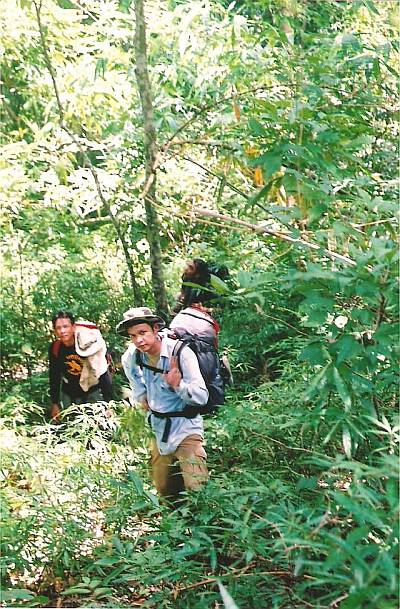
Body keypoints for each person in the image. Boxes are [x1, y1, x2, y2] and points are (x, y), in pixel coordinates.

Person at [117, 306, 209, 504]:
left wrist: (178, 385)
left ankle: (201, 520)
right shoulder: (133, 356)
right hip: (159, 429)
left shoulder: (180, 353)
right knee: (164, 491)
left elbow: (202, 397)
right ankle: (176, 522)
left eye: (143, 332)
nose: (139, 340)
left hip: (186, 427)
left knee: (197, 489)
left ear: (155, 329)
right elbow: (134, 380)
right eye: (133, 336)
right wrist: (142, 397)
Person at [49, 311, 113, 422]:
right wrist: (55, 403)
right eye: (58, 328)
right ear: (55, 331)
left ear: (73, 327)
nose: (62, 331)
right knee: (70, 426)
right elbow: (54, 375)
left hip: (92, 391)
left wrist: (109, 404)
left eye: (66, 326)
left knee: (97, 425)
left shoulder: (87, 346)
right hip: (69, 393)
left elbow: (102, 373)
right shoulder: (55, 348)